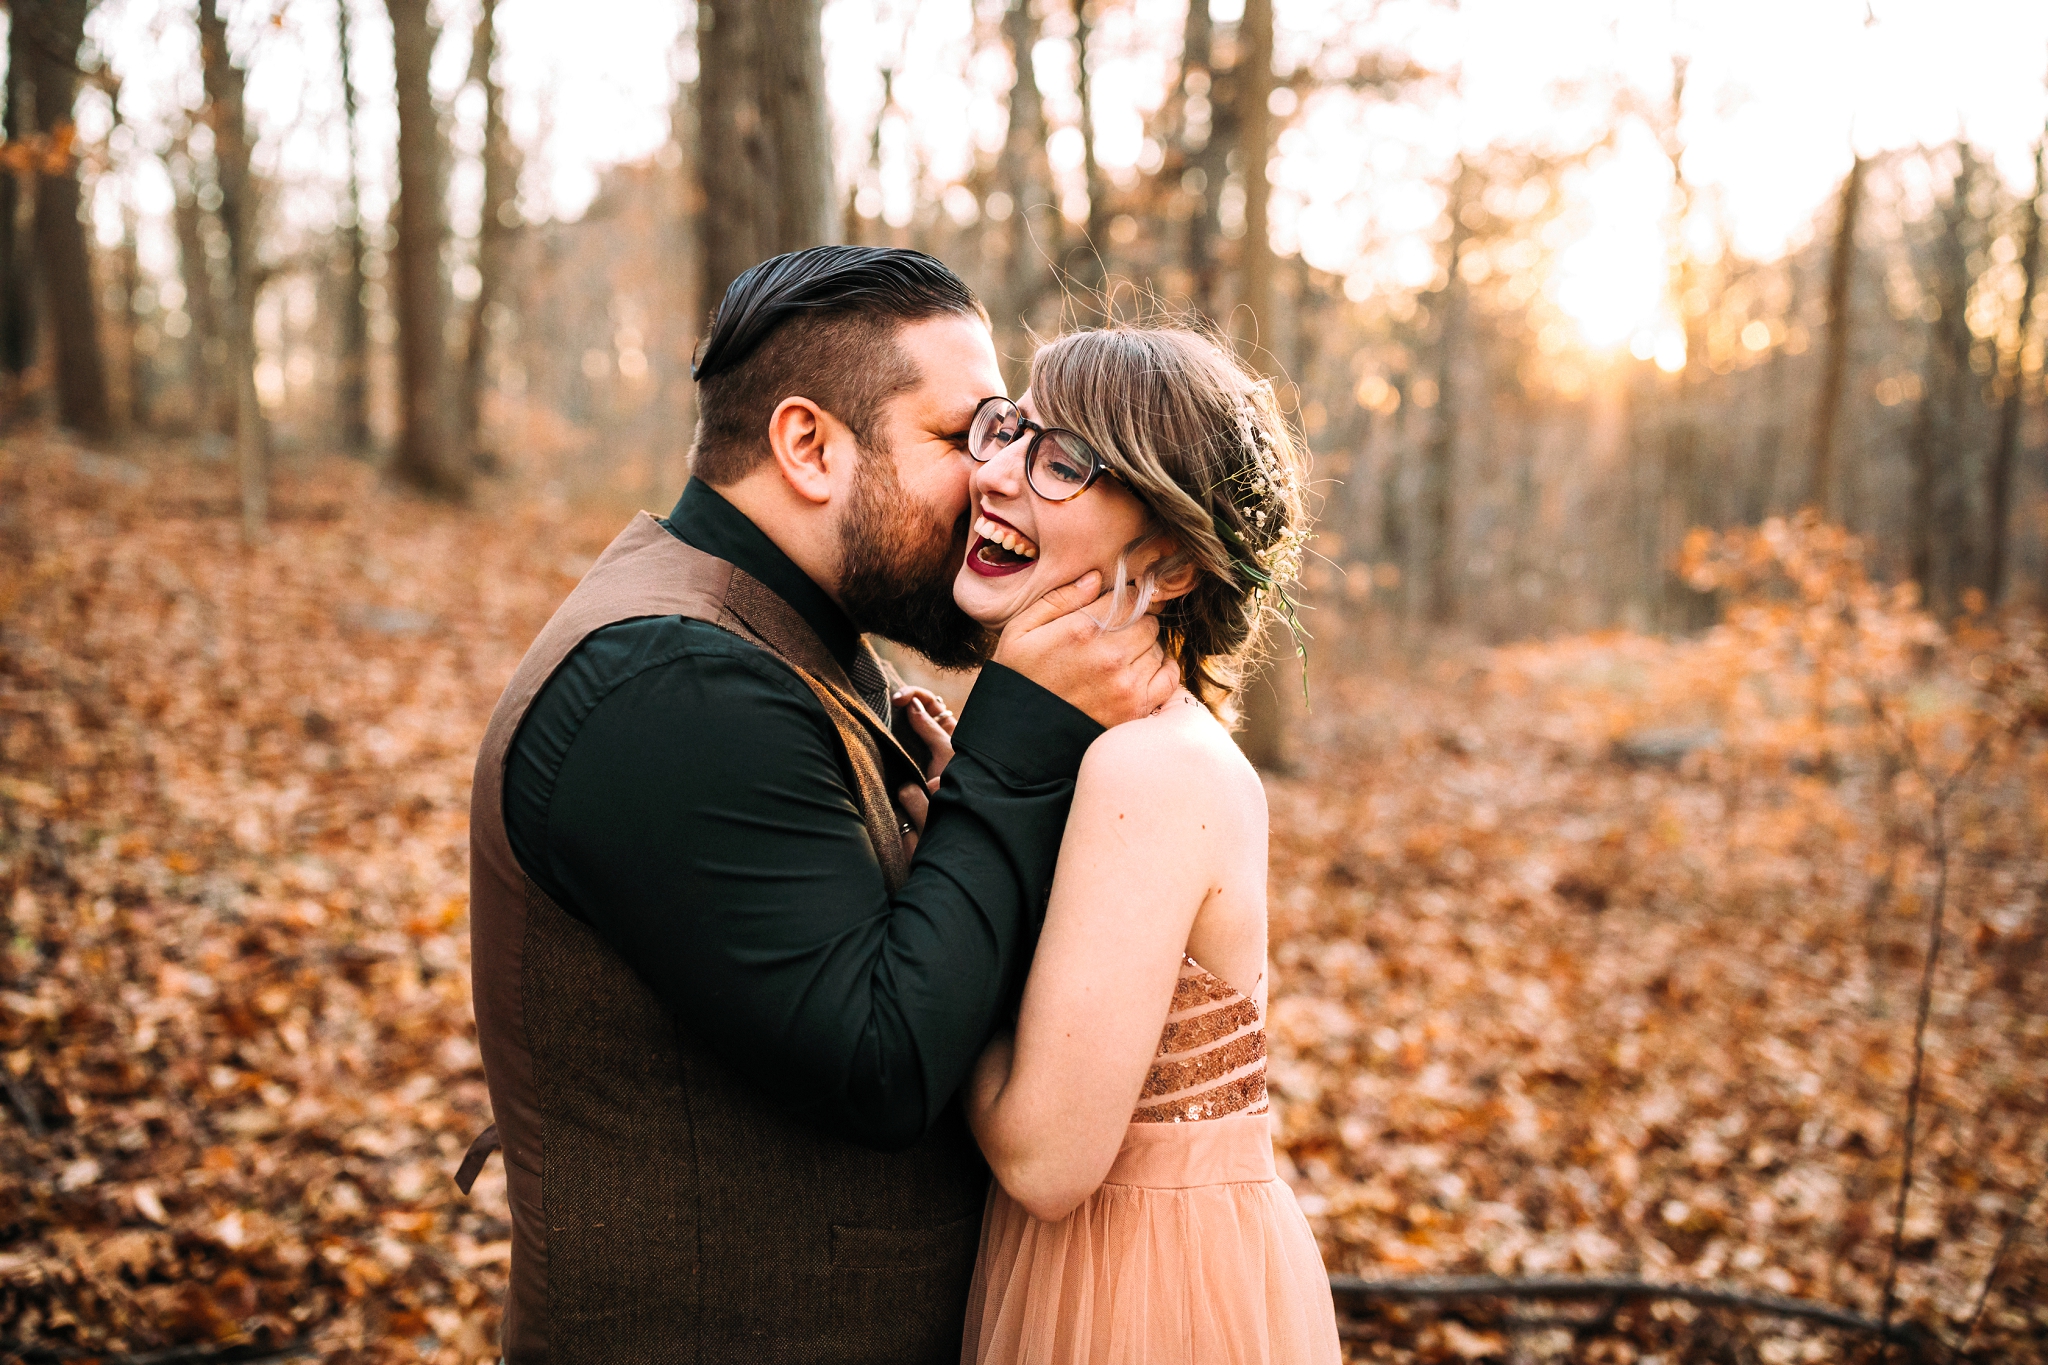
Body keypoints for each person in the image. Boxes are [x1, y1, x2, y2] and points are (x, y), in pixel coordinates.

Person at [460, 246, 1178, 1364]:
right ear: (807, 445)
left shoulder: (783, 635)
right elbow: (880, 1061)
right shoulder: (671, 683)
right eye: (962, 436)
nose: (993, 478)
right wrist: (1016, 743)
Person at [899, 324, 1342, 1364]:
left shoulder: (1153, 769)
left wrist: (947, 856)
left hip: (1140, 1297)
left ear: (1174, 561)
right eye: (1008, 434)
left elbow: (1045, 1160)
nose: (995, 475)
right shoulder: (1095, 746)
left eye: (1062, 462)